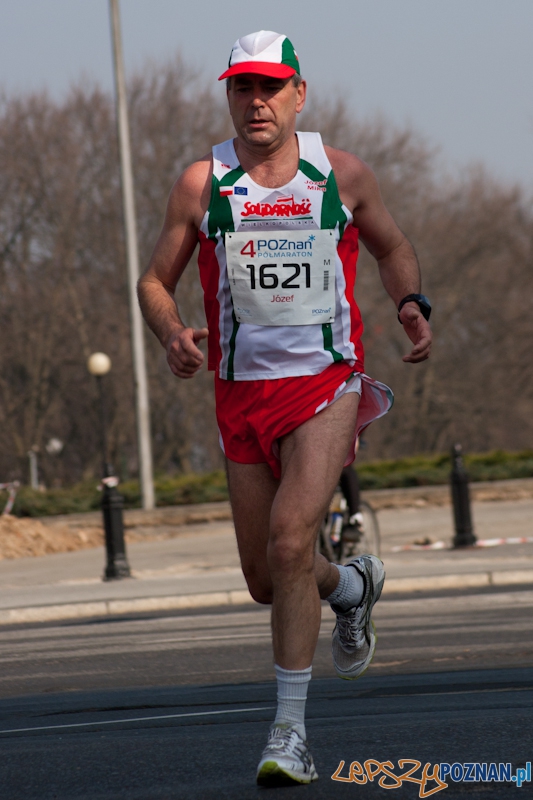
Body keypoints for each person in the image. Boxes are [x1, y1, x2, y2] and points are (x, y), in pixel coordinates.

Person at [138, 30, 432, 787]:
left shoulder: (339, 174)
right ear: (227, 94)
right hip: (240, 396)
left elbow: (391, 245)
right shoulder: (203, 184)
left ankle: (290, 733)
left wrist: (409, 302)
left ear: (299, 92)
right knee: (270, 577)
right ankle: (353, 586)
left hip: (325, 384)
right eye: (242, 86)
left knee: (291, 536)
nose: (256, 100)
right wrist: (173, 333)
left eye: (270, 86)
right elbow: (152, 282)